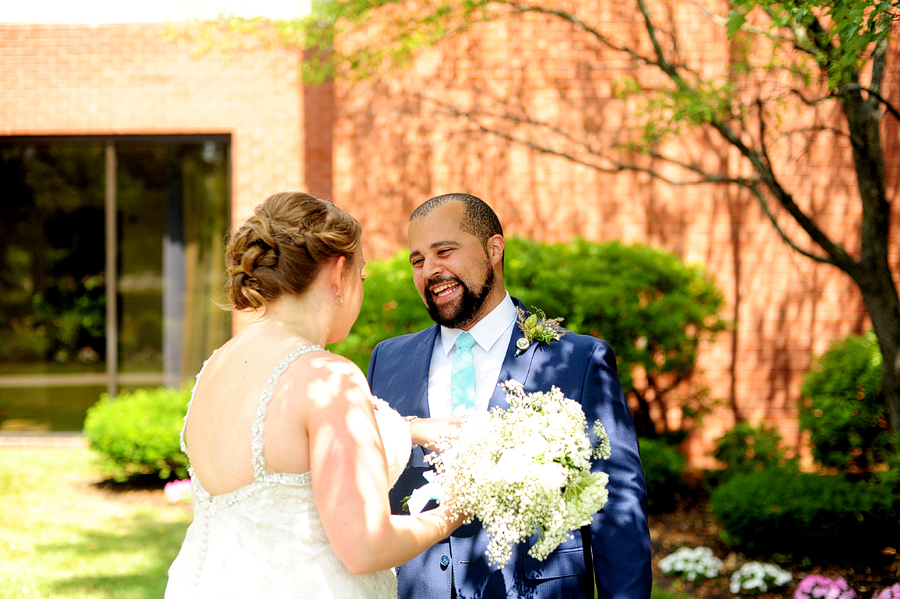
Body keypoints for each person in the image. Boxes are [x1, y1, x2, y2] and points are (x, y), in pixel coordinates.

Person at [165, 192, 467, 599]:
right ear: (336, 274)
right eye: (361, 276)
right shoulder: (328, 375)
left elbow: (291, 448)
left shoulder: (217, 366)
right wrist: (455, 511)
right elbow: (366, 546)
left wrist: (411, 429)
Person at [367, 193, 653, 599]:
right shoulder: (387, 360)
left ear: (494, 248)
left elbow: (617, 508)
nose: (430, 270)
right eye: (417, 261)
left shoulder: (577, 361)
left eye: (444, 251)